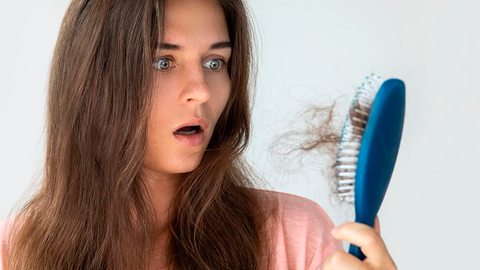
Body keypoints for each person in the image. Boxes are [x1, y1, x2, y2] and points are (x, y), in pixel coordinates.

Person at [0, 0, 397, 269]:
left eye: (214, 61)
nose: (202, 90)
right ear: (93, 79)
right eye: (162, 61)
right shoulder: (14, 250)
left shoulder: (290, 238)